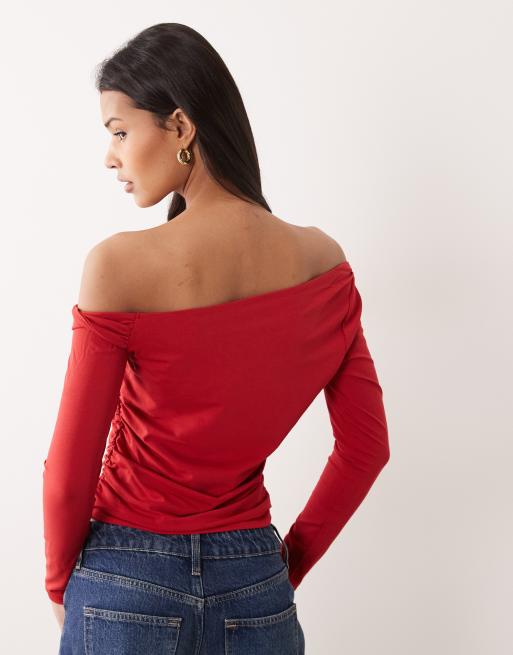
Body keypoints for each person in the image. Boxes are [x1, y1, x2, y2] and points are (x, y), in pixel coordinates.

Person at [42, 22, 390, 654]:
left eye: (119, 132)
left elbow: (71, 467)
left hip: (124, 575)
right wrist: (280, 569)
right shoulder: (323, 264)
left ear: (180, 126)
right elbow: (366, 449)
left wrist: (64, 585)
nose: (110, 157)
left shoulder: (119, 265)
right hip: (254, 581)